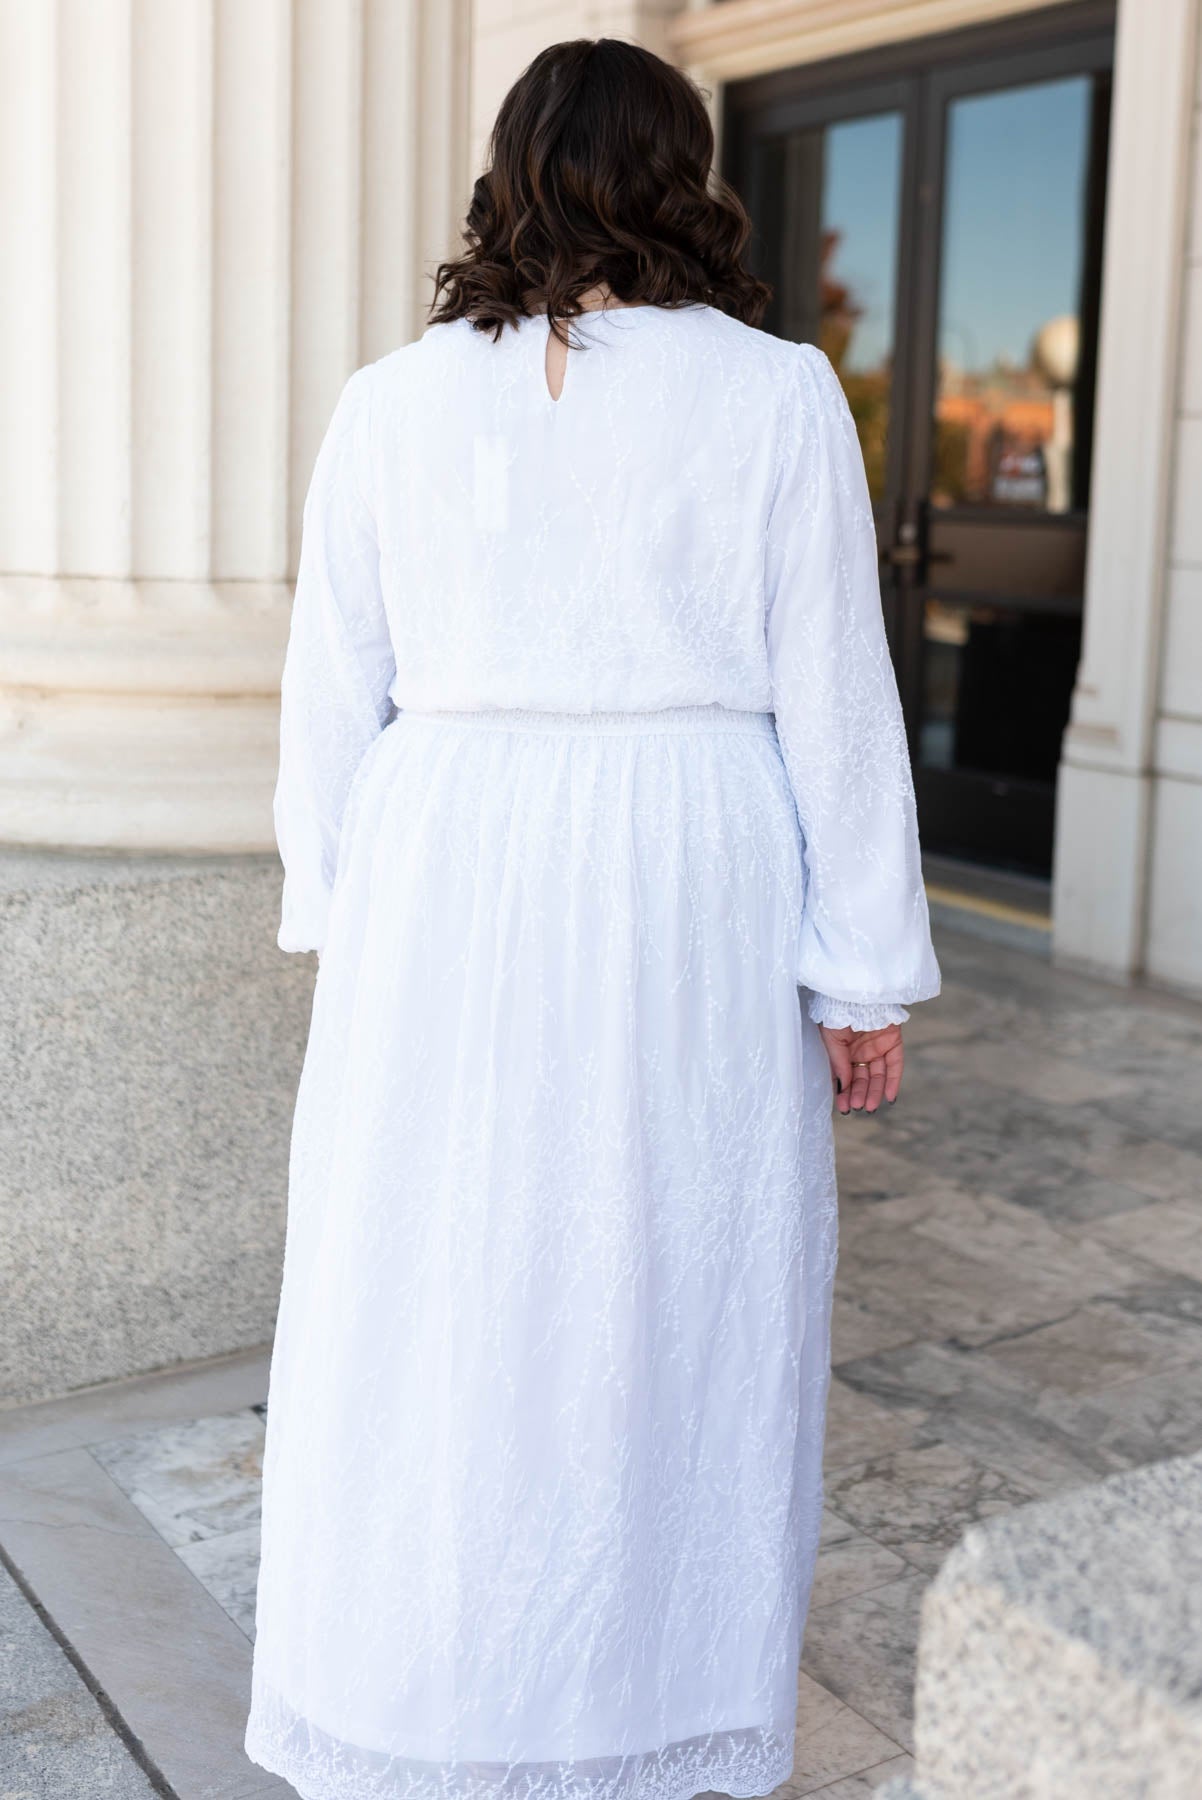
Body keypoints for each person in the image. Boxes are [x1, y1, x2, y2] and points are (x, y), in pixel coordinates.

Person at [244, 35, 940, 1800]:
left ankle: (430, 1693)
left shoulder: (391, 400)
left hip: (444, 872)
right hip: (688, 871)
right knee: (671, 1275)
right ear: (682, 174)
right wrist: (859, 970)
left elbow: (330, 689)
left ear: (513, 169)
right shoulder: (776, 395)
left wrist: (340, 913)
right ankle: (642, 1702)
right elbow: (836, 702)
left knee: (438, 1282)